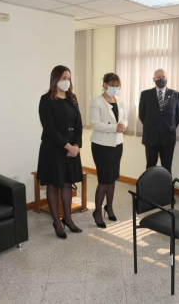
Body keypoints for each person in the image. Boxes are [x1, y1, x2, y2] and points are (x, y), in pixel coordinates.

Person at [37, 65, 83, 239]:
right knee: (53, 184)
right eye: (63, 78)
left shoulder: (73, 98)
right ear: (55, 79)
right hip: (53, 149)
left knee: (67, 183)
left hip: (72, 148)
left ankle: (68, 219)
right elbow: (49, 128)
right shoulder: (46, 99)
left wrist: (77, 145)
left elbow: (78, 125)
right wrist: (68, 146)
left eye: (69, 78)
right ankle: (57, 221)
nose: (67, 81)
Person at [89, 73, 128, 228]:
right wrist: (115, 127)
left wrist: (123, 125)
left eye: (117, 85)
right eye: (112, 85)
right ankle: (97, 211)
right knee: (104, 179)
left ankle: (109, 207)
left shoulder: (120, 101)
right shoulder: (96, 102)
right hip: (101, 145)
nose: (115, 88)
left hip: (117, 144)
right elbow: (96, 124)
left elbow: (124, 118)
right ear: (104, 85)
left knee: (112, 179)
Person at [138, 69, 179, 174]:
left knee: (167, 168)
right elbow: (142, 115)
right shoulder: (145, 94)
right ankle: (149, 190)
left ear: (166, 78)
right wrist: (152, 125)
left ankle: (166, 190)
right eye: (159, 77)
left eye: (163, 76)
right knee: (150, 167)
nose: (161, 79)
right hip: (150, 137)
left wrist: (169, 127)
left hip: (168, 137)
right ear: (154, 79)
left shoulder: (175, 95)